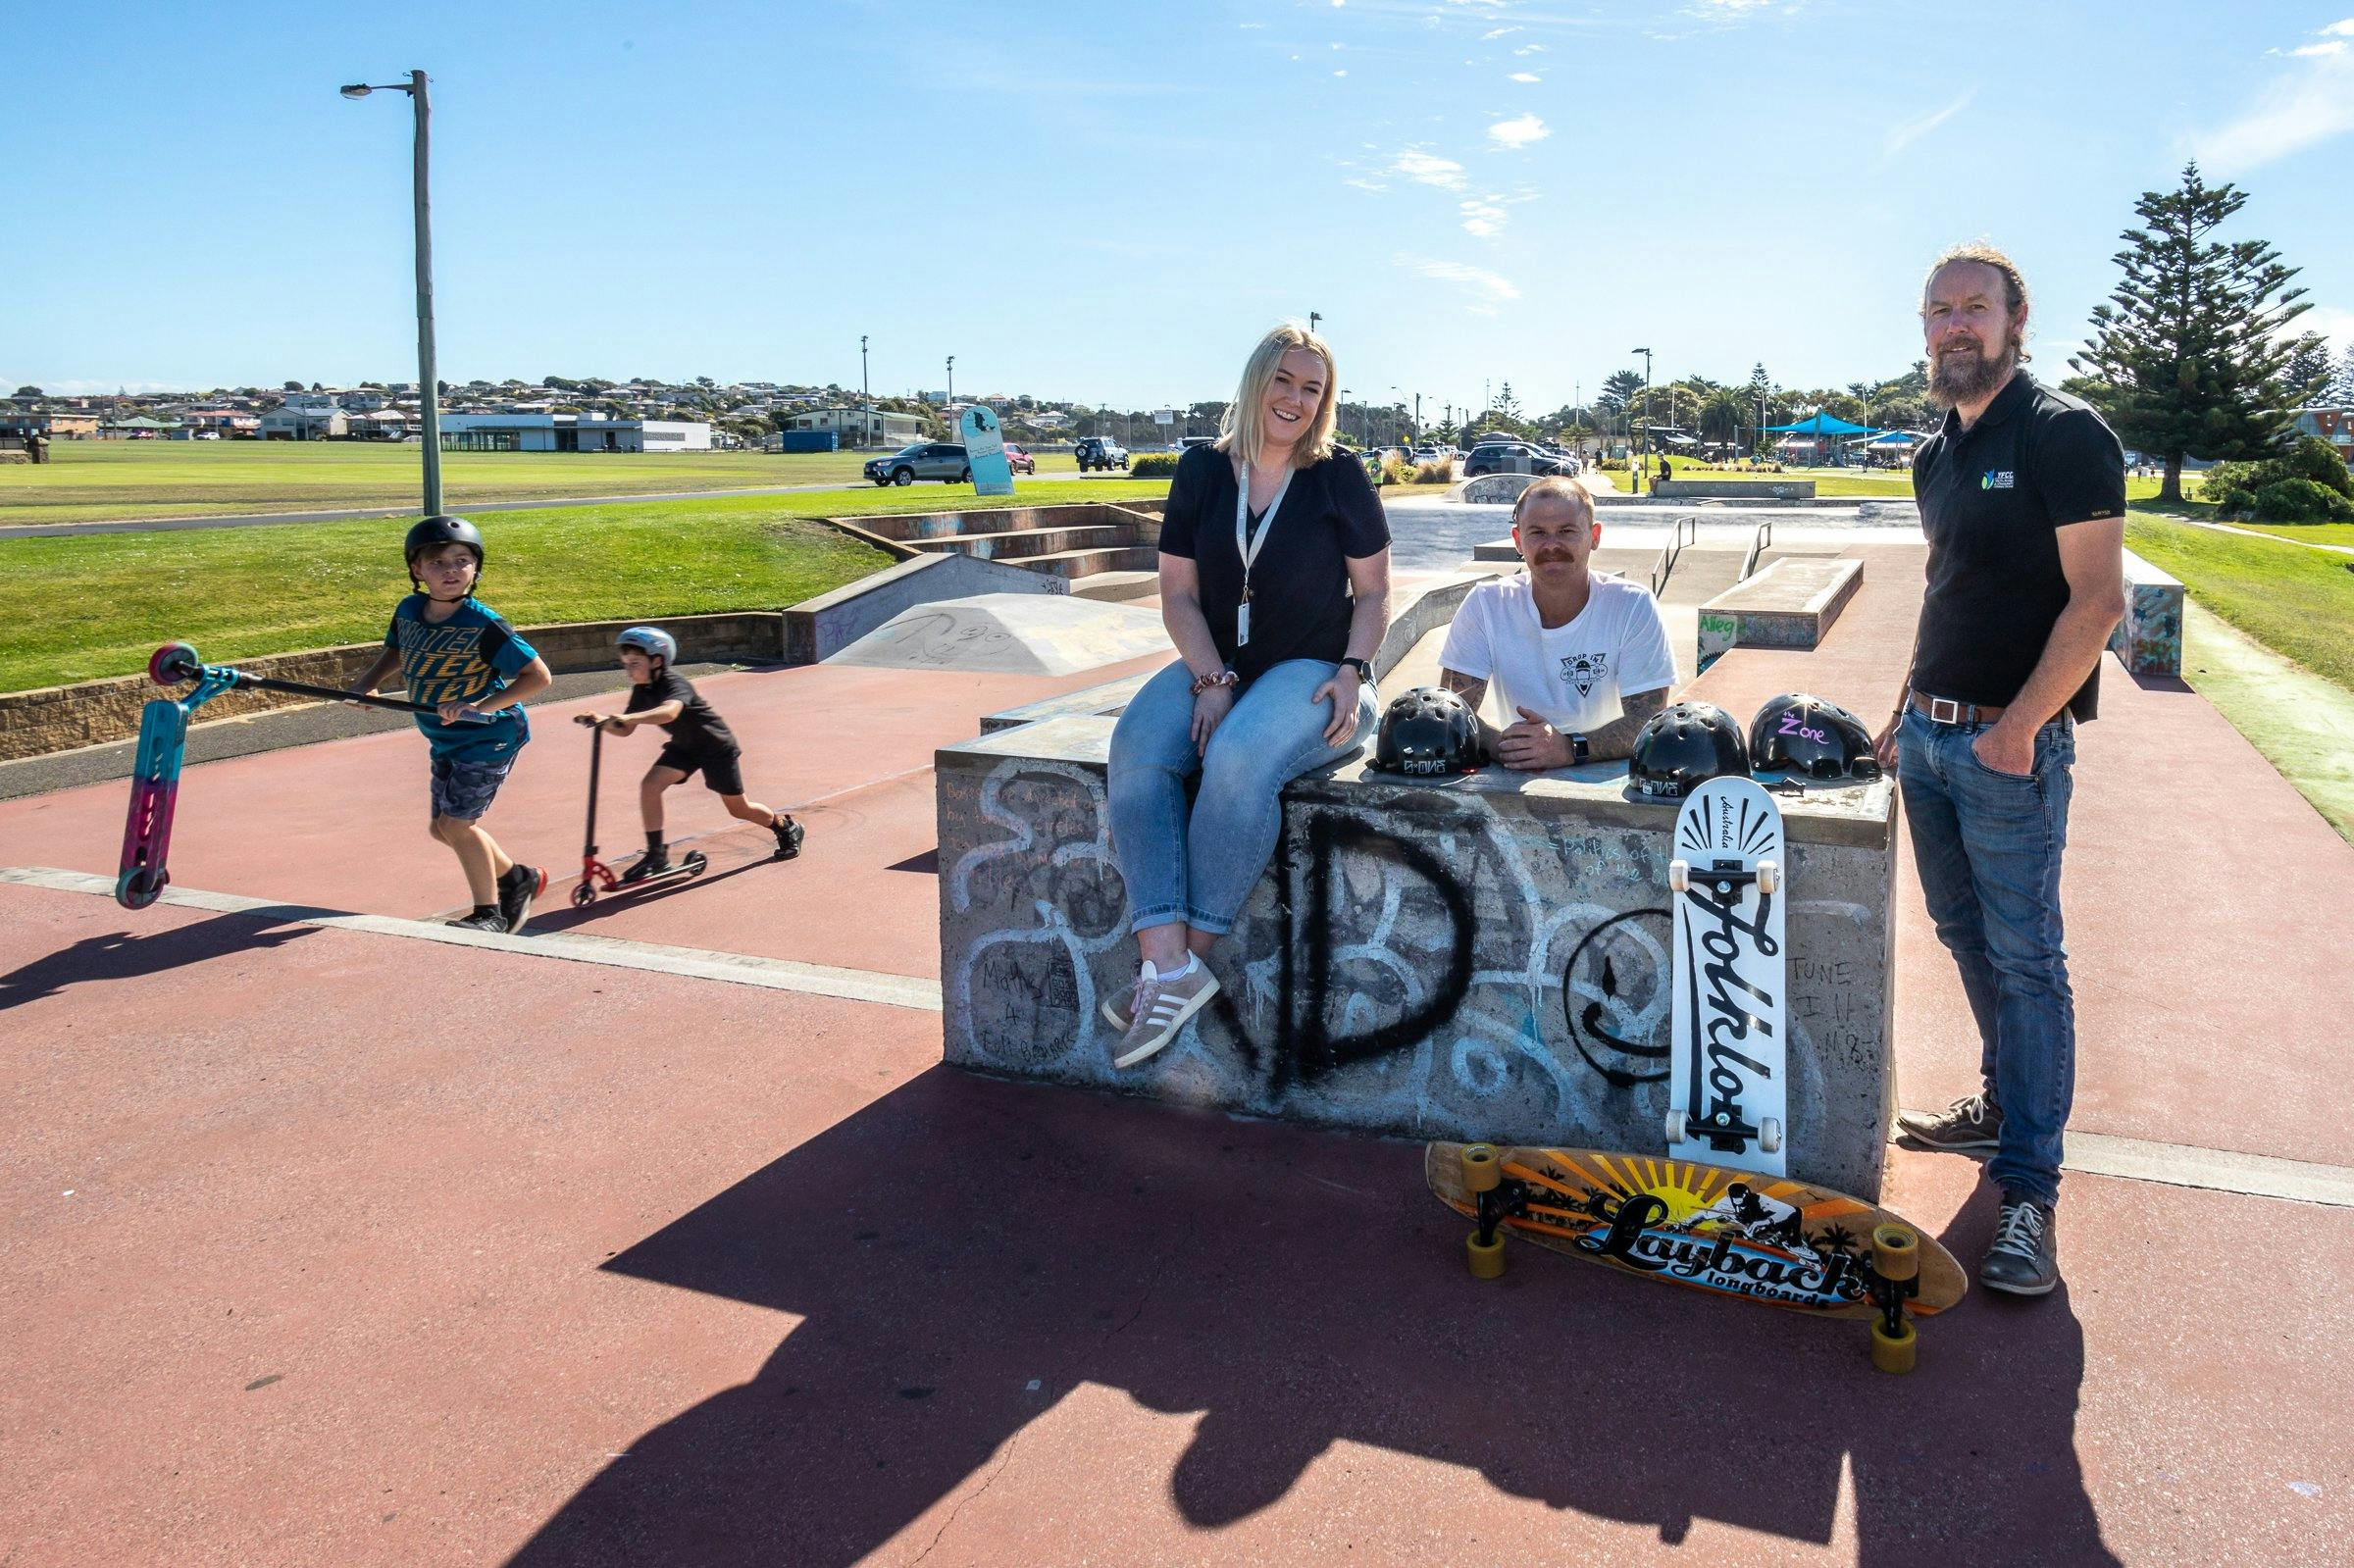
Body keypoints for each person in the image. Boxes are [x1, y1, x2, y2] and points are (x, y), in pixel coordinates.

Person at [1871, 242, 2127, 1298]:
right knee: (1965, 934)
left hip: (2010, 747)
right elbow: (1950, 592)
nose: (1955, 327)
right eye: (1939, 312)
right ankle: (1999, 1102)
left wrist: (2021, 726)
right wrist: (1901, 713)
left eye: (1975, 308)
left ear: (2016, 320)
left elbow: (2098, 602)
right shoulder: (1934, 453)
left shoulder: (2064, 433)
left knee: (2028, 959)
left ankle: (2029, 1193)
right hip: (1930, 741)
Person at [1103, 322, 1391, 1067]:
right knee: (1136, 746)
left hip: (1313, 667)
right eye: (1285, 380)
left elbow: (1374, 593)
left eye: (1313, 388)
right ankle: (1167, 965)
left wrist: (1355, 669)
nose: (1295, 399)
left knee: (1236, 757)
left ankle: (1172, 971)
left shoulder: (1338, 475)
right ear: (1257, 380)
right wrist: (1208, 677)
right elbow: (1176, 593)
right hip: (1220, 662)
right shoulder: (1202, 470)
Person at [348, 516, 553, 934]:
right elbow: (397, 649)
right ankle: (518, 879)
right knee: (441, 829)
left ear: (475, 570)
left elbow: (538, 677)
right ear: (416, 570)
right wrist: (369, 683)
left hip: (489, 735)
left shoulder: (485, 625)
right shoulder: (408, 610)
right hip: (442, 735)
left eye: (462, 561)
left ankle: (488, 914)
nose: (450, 570)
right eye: (437, 562)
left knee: (457, 825)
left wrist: (478, 703)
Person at [1437, 478, 1675, 767]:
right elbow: (1452, 709)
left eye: (1566, 531)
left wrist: (1569, 748)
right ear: (1517, 540)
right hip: (1519, 773)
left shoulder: (1633, 605)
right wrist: (1502, 745)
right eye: (1537, 532)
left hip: (1605, 779)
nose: (1552, 545)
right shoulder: (1486, 603)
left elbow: (1648, 721)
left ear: (1595, 535)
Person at [574, 626, 802, 879]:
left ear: (657, 660)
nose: (629, 669)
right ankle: (656, 856)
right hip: (685, 746)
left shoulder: (674, 683)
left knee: (739, 808)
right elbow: (626, 728)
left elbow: (670, 711)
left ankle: (785, 828)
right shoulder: (642, 690)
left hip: (716, 747)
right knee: (650, 786)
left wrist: (629, 717)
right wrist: (602, 721)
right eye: (625, 663)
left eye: (635, 662)